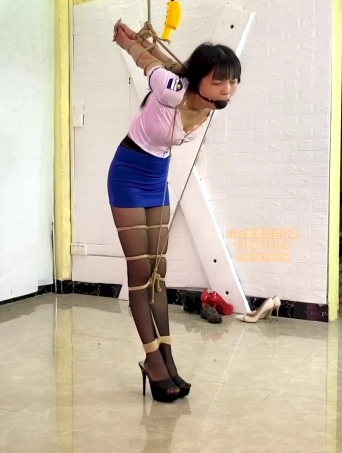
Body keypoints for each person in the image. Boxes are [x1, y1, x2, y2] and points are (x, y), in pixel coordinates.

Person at [108, 21, 241, 403]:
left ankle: (167, 356)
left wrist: (153, 43)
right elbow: (150, 64)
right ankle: (152, 360)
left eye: (232, 81)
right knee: (139, 273)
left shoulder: (210, 103)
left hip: (157, 177)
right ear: (200, 81)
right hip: (128, 172)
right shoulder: (171, 90)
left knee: (157, 272)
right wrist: (128, 41)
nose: (227, 89)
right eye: (219, 81)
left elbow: (174, 63)